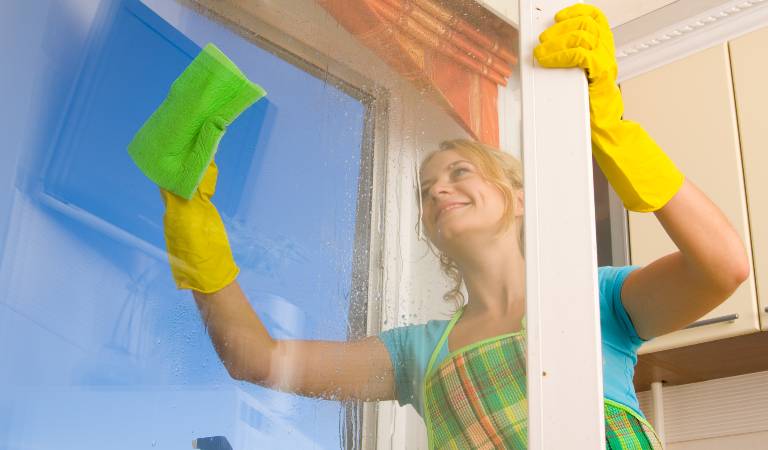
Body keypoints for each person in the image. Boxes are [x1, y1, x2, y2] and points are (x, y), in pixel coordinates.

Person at [159, 4, 749, 449]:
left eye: (459, 172)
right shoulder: (418, 353)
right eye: (424, 191)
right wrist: (193, 221)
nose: (438, 190)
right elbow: (258, 360)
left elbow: (721, 266)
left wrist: (610, 129)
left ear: (520, 199)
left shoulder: (592, 301)